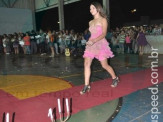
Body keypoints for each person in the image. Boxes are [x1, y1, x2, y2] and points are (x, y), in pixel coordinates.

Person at [80, 2, 119, 95]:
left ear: (98, 8)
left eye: (93, 8)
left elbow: (104, 34)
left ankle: (115, 78)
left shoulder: (103, 20)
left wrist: (94, 41)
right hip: (91, 45)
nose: (91, 10)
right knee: (86, 64)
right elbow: (92, 34)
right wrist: (89, 42)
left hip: (100, 44)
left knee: (104, 65)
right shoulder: (90, 22)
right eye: (90, 9)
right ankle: (86, 85)